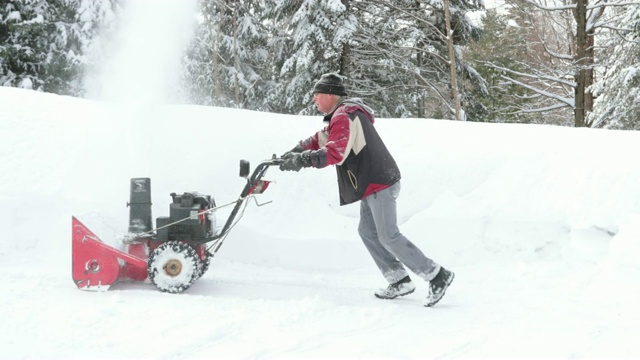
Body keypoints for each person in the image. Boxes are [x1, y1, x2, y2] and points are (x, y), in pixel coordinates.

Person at [279, 73, 455, 307]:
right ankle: (399, 279)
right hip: (372, 182)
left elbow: (334, 153)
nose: (314, 100)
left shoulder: (345, 115)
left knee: (388, 235)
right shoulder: (341, 116)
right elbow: (320, 139)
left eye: (317, 95)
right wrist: (294, 152)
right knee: (368, 232)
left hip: (378, 182)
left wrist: (302, 160)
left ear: (330, 95)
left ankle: (436, 274)